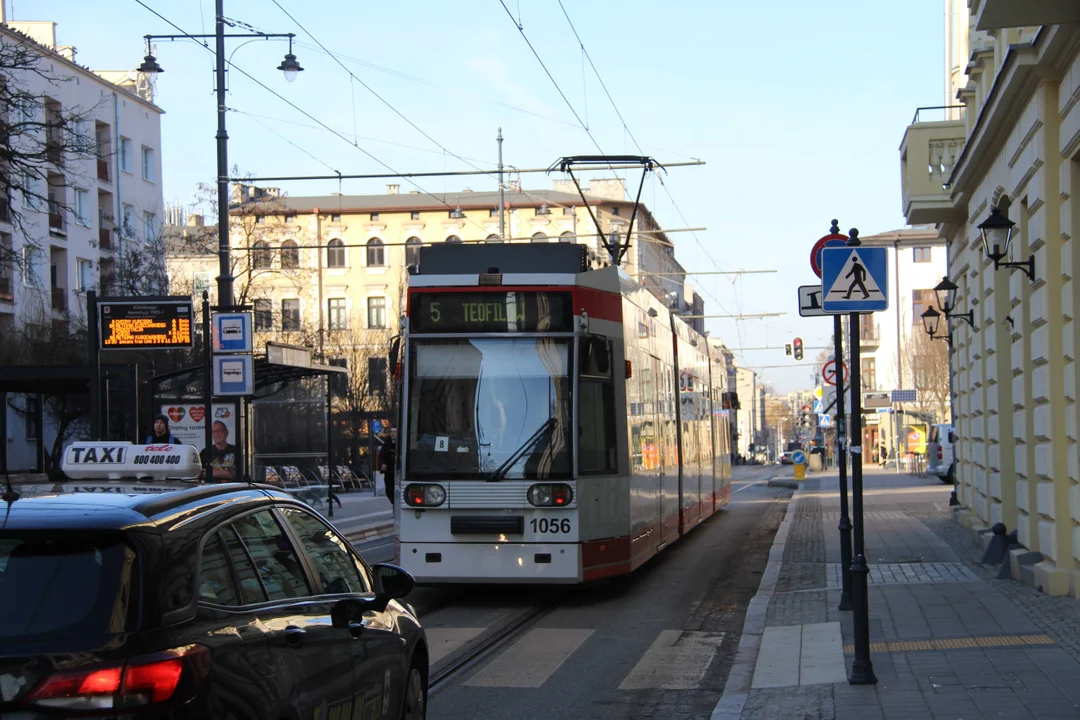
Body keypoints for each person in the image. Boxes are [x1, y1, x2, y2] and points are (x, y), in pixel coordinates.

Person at [378, 427, 397, 504]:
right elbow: (381, 455)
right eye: (391, 432)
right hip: (388, 470)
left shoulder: (401, 443)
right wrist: (382, 464)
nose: (392, 433)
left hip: (397, 470)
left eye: (395, 432)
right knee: (388, 490)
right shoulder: (387, 443)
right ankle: (394, 503)